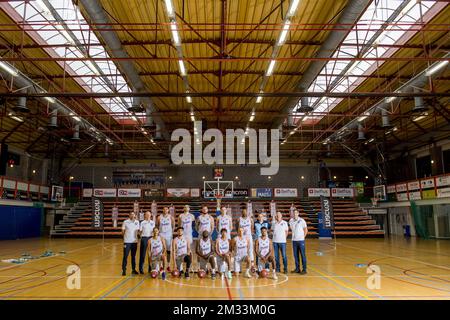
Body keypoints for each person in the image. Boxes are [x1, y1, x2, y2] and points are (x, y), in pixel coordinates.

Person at [195, 205, 215, 269]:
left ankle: (209, 267)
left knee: (209, 251)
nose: (204, 210)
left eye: (205, 209)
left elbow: (212, 226)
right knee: (199, 251)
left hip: (208, 235)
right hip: (201, 235)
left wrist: (210, 233)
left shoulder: (210, 217)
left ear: (207, 210)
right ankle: (199, 266)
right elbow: (196, 226)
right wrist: (199, 232)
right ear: (202, 210)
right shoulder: (199, 217)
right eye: (203, 209)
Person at [289, 210, 308, 274]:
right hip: (294, 240)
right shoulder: (291, 221)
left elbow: (305, 230)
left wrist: (303, 237)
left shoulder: (302, 220)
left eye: (296, 213)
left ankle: (304, 269)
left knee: (302, 255)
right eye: (293, 213)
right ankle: (297, 269)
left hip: (301, 241)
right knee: (295, 255)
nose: (295, 214)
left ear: (298, 213)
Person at [121, 212, 140, 276]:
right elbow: (123, 231)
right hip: (127, 242)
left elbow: (138, 232)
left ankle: (133, 270)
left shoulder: (137, 222)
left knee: (133, 256)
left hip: (134, 242)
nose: (132, 215)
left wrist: (138, 240)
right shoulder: (125, 222)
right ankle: (124, 270)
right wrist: (124, 238)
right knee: (125, 256)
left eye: (133, 214)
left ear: (135, 215)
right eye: (131, 214)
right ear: (129, 215)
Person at [158, 207, 175, 271]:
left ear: (168, 210)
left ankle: (168, 265)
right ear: (162, 210)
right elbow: (157, 225)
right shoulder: (159, 217)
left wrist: (171, 233)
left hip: (168, 235)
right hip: (161, 235)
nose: (165, 210)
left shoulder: (171, 217)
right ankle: (161, 265)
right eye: (164, 209)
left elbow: (173, 226)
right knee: (161, 250)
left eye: (166, 209)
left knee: (168, 251)